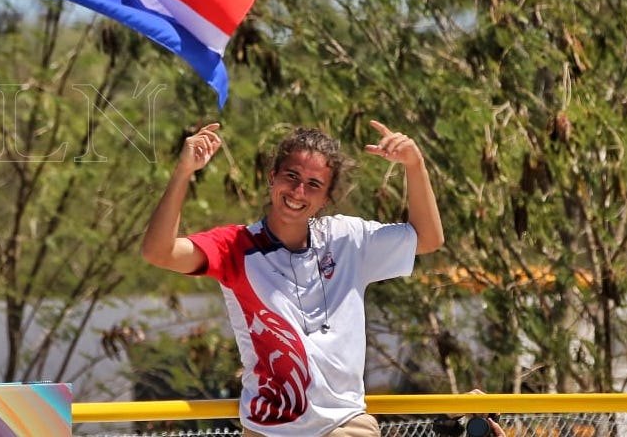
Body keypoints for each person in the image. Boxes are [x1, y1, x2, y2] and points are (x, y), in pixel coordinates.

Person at [141, 120, 445, 436]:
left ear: (326, 197)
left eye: (314, 184)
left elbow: (428, 238)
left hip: (344, 425)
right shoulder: (235, 246)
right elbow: (158, 252)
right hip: (270, 430)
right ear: (272, 177)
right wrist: (184, 172)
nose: (298, 192)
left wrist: (414, 163)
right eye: (292, 177)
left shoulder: (348, 239)